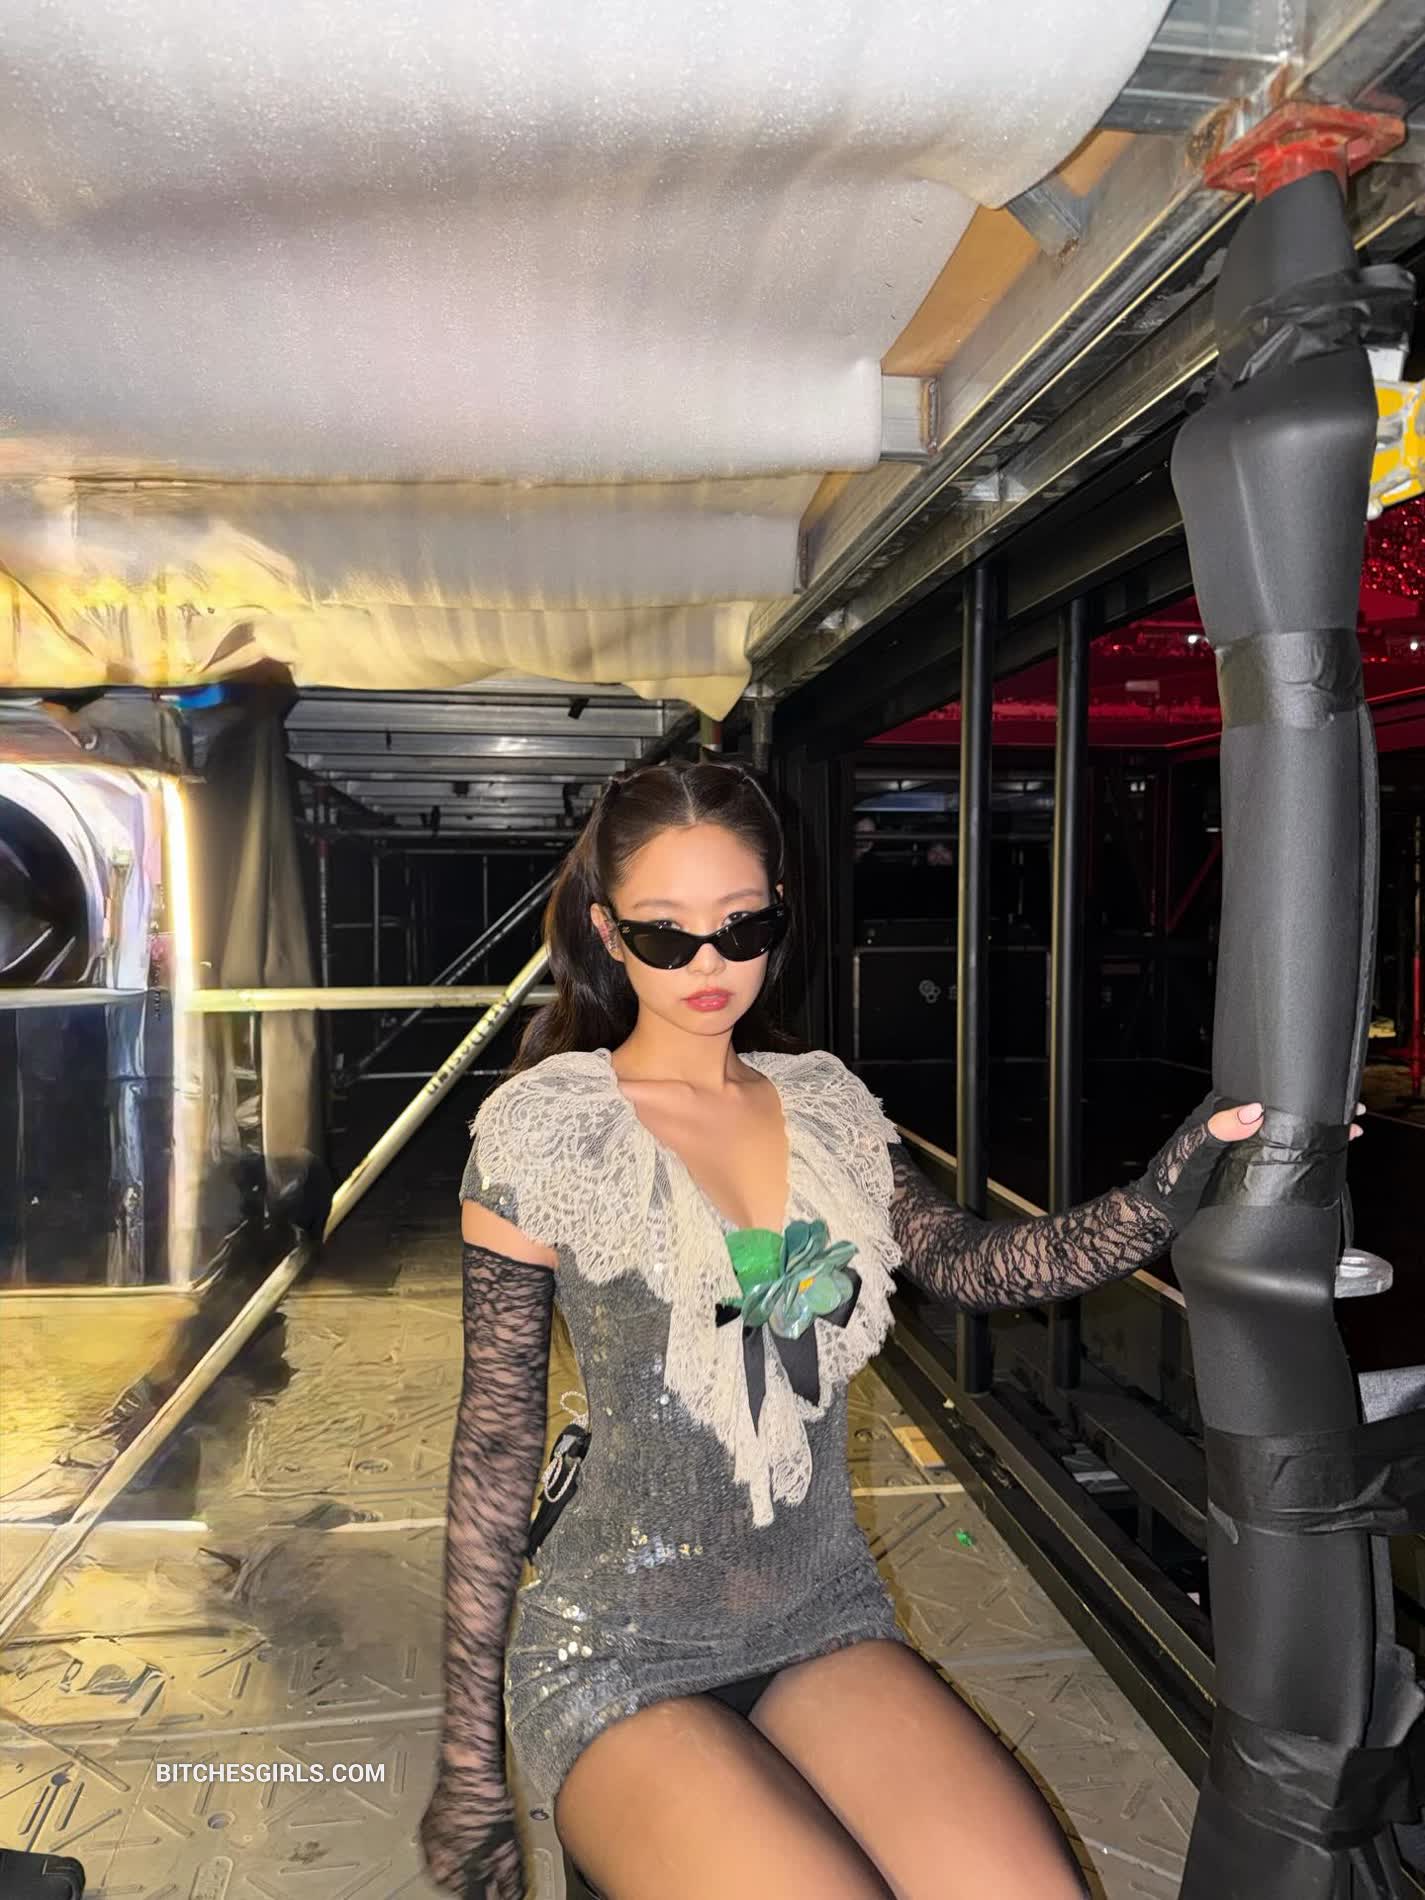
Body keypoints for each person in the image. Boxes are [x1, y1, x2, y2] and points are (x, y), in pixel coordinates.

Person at [419, 758, 1355, 1900]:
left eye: (741, 926)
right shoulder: (546, 1131)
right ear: (609, 933)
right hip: (615, 1647)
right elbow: (495, 1445)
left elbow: (971, 1262)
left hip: (817, 1613)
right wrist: (468, 1761)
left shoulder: (824, 1106)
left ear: (780, 915)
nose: (709, 964)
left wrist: (1176, 1179)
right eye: (666, 934)